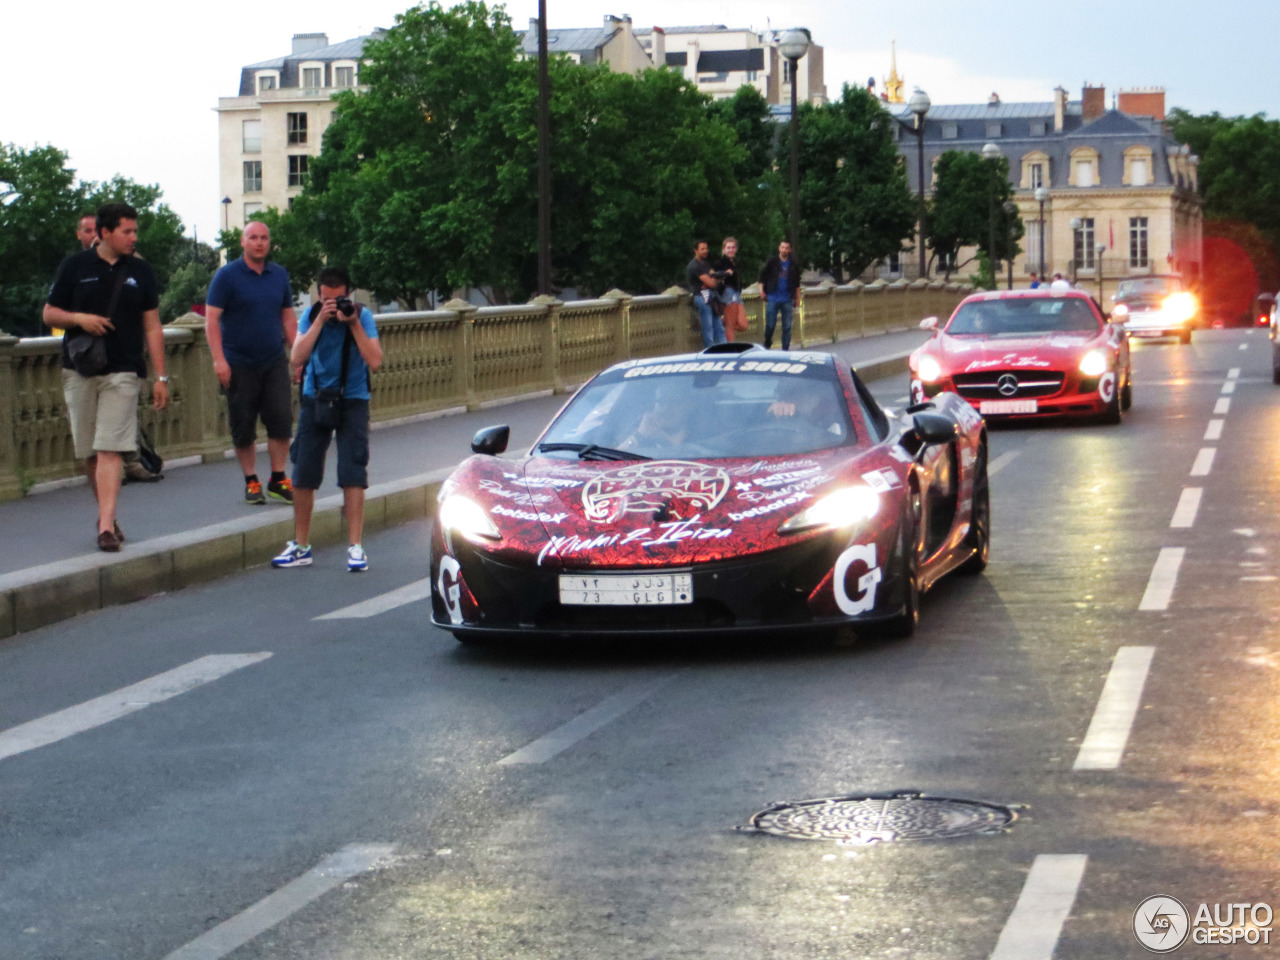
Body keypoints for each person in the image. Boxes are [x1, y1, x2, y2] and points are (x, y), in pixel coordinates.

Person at [42, 202, 170, 552]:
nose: (133, 237)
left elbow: (153, 326)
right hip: (80, 367)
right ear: (105, 232)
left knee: (110, 447)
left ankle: (104, 527)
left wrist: (162, 376)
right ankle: (108, 516)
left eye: (135, 231)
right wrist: (80, 319)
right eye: (126, 231)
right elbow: (49, 312)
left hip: (124, 370)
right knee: (90, 452)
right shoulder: (75, 266)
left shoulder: (140, 272)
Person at [272, 267, 383, 572]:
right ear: (319, 296)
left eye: (338, 300)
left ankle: (356, 548)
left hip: (353, 400)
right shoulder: (312, 316)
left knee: (353, 471)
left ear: (349, 294)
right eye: (326, 300)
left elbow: (375, 361)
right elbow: (296, 358)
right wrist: (320, 320)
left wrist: (354, 325)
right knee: (304, 471)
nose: (332, 306)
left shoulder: (364, 316)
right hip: (316, 399)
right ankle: (302, 546)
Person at [205, 220, 298, 505]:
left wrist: (299, 354)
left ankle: (278, 478)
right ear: (243, 242)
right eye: (253, 237)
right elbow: (211, 319)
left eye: (264, 238)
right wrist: (219, 360)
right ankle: (251, 480)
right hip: (239, 363)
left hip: (274, 360)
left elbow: (287, 317)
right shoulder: (227, 276)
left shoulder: (279, 275)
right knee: (243, 425)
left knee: (281, 421)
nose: (259, 242)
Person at [758, 240, 802, 350]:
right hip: (773, 297)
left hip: (787, 298)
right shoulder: (772, 262)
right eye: (783, 247)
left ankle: (785, 350)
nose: (784, 250)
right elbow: (762, 277)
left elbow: (797, 283)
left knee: (787, 326)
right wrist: (761, 291)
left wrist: (797, 299)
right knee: (770, 325)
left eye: (787, 248)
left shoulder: (793, 264)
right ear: (779, 248)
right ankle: (767, 344)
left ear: (790, 250)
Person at [685, 240, 725, 348]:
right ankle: (710, 351)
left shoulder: (705, 264)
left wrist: (716, 278)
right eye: (702, 249)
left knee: (719, 326)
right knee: (708, 327)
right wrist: (715, 279)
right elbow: (712, 283)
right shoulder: (695, 266)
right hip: (701, 297)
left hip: (711, 298)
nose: (705, 251)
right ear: (696, 251)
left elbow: (715, 277)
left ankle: (725, 350)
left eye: (706, 248)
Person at [713, 237, 745, 342]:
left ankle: (720, 322)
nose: (731, 250)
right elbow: (715, 276)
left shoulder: (736, 262)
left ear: (736, 249)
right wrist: (724, 272)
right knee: (730, 326)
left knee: (743, 324)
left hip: (736, 293)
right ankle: (730, 349)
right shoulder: (721, 262)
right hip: (728, 293)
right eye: (728, 248)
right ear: (724, 249)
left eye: (733, 247)